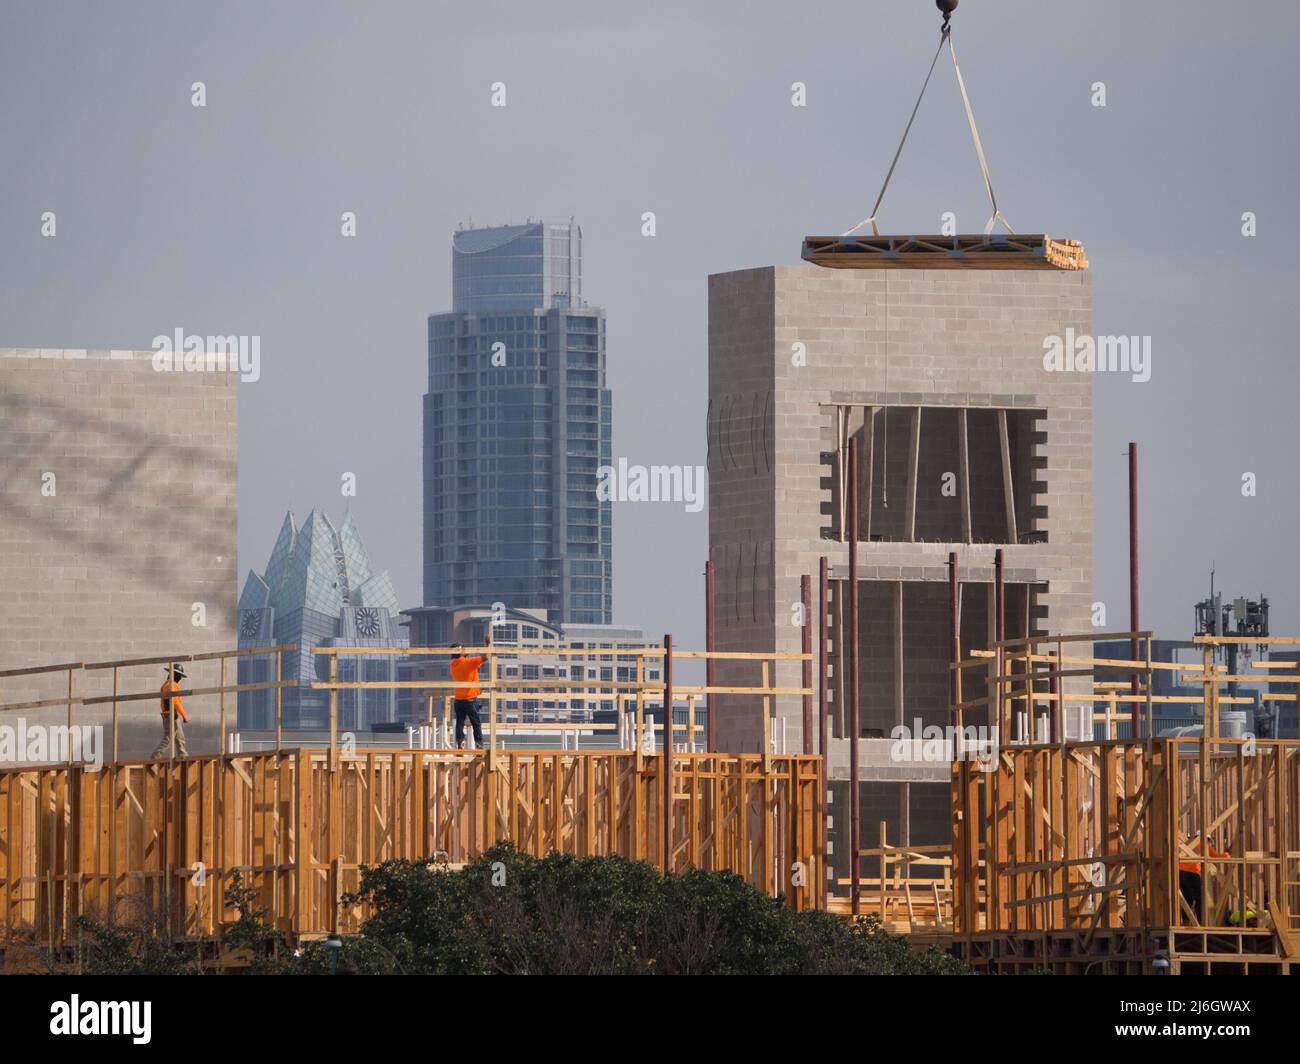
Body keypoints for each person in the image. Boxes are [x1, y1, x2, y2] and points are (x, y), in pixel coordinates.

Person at [1178, 834, 1227, 923]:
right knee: (1199, 898)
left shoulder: (1190, 844)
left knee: (1187, 898)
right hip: (1192, 873)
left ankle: (1186, 921)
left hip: (1181, 873)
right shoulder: (1203, 844)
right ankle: (1201, 921)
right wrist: (1227, 855)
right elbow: (1215, 855)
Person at [449, 644, 486, 750]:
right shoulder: (469, 663)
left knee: (460, 721)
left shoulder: (453, 666)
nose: (466, 650)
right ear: (460, 652)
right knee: (476, 722)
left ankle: (460, 741)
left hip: (458, 700)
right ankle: (478, 743)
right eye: (464, 649)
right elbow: (485, 658)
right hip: (470, 699)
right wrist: (487, 644)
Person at [151, 664, 189, 758]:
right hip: (171, 715)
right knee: (168, 738)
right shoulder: (171, 685)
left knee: (180, 738)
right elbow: (176, 702)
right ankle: (155, 756)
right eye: (179, 675)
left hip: (172, 715)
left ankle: (183, 756)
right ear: (174, 674)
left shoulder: (167, 684)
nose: (180, 678)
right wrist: (185, 716)